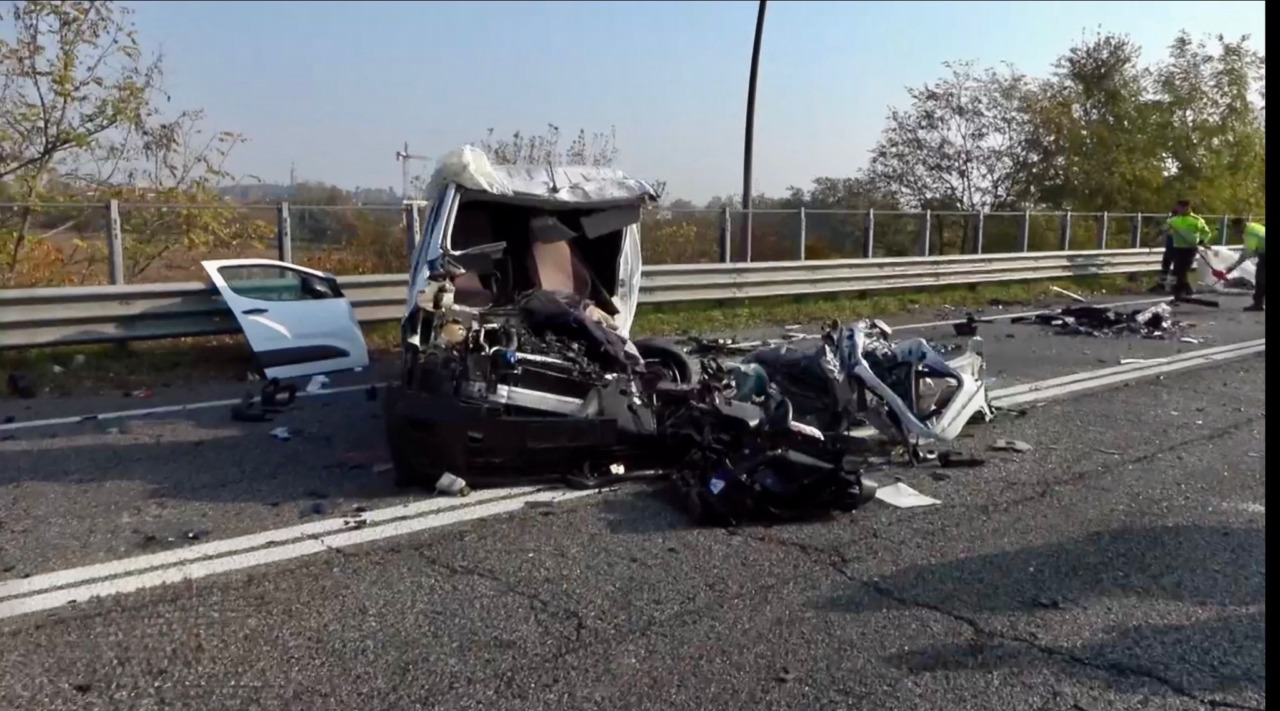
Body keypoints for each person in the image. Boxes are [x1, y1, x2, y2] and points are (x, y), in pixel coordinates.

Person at [1163, 200, 1214, 299]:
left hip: (1190, 249)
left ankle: (1179, 294)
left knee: (1181, 271)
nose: (1178, 209)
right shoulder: (1174, 220)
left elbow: (1207, 233)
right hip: (1178, 248)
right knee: (1178, 271)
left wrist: (1202, 241)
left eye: (1180, 208)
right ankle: (1186, 291)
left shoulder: (1196, 220)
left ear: (1186, 208)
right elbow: (1164, 229)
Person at [1218, 218, 1265, 312]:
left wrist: (1231, 268)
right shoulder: (1253, 226)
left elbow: (1246, 253)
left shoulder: (1250, 233)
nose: (1234, 232)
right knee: (1261, 278)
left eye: (1234, 229)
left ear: (1239, 226)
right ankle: (1258, 303)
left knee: (1260, 279)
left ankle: (1258, 304)